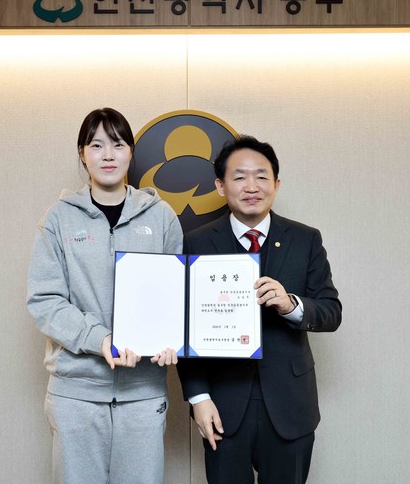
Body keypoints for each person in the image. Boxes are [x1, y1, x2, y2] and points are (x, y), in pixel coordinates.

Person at [27, 107, 183, 484]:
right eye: (96, 145)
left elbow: (176, 295)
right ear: (82, 154)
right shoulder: (59, 218)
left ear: (131, 152)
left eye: (117, 144)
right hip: (76, 394)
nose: (108, 155)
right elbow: (45, 301)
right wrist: (102, 340)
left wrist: (173, 338)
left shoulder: (161, 217)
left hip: (143, 394)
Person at [176, 135, 342, 484]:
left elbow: (330, 311)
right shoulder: (196, 242)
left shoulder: (305, 239)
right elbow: (184, 327)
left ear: (276, 184)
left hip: (290, 405)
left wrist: (291, 305)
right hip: (222, 405)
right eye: (239, 177)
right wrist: (198, 397)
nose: (251, 186)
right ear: (221, 186)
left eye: (262, 176)